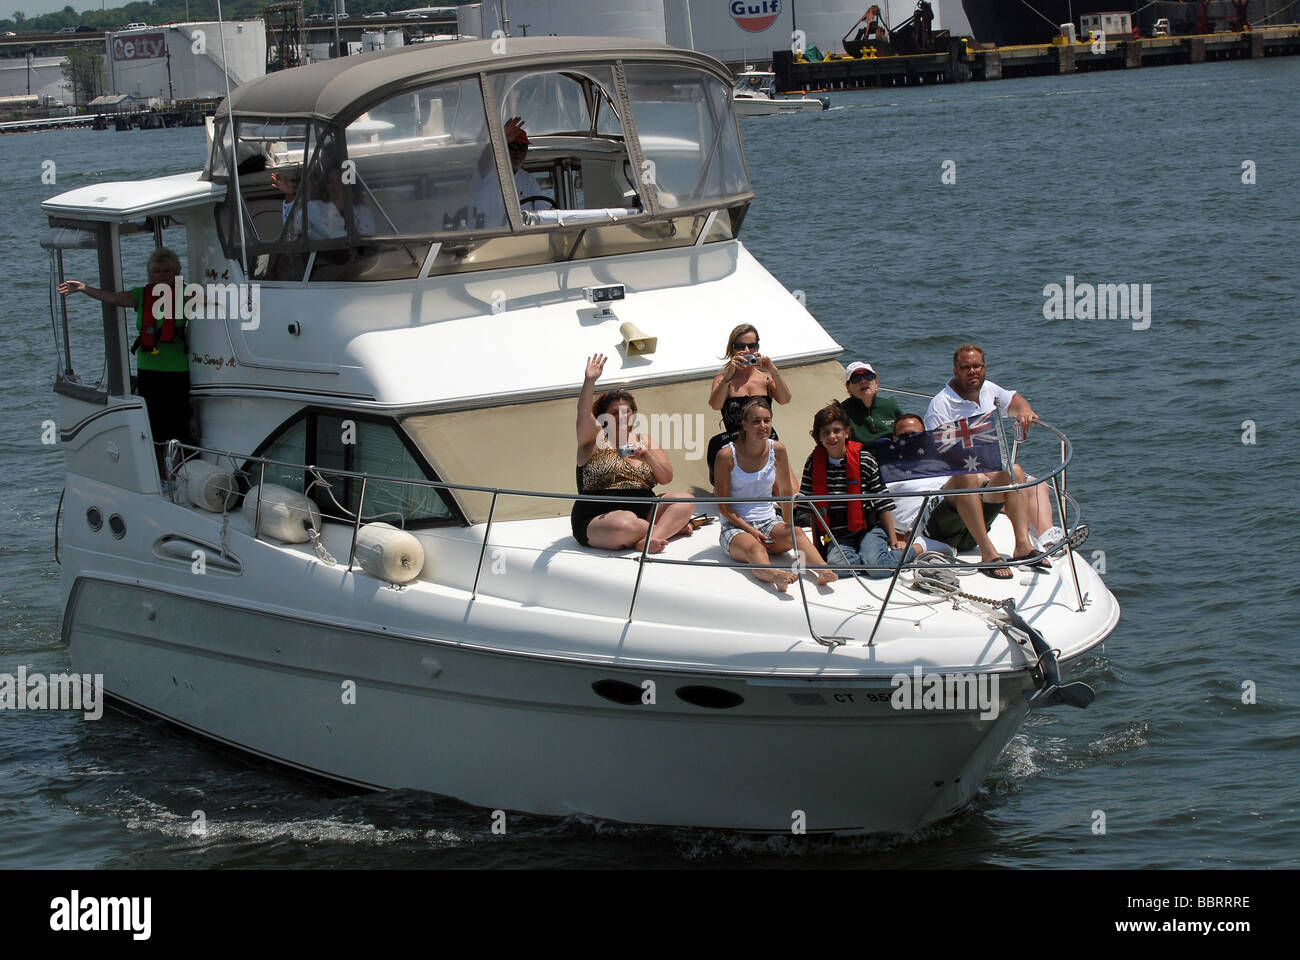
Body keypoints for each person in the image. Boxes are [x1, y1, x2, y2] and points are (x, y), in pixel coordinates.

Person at [58, 248, 192, 471]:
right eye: (157, 271)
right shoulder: (141, 295)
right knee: (154, 425)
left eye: (167, 271)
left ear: (176, 272)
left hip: (176, 370)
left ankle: (179, 471)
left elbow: (215, 303)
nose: (162, 275)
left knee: (177, 426)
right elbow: (112, 298)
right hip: (148, 370)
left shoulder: (186, 294)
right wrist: (83, 288)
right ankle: (160, 472)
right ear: (151, 274)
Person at [925, 343, 1059, 542]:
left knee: (1038, 486)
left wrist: (1024, 410)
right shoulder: (941, 406)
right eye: (965, 367)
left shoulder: (989, 389)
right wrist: (985, 471)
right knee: (991, 482)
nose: (972, 371)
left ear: (984, 368)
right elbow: (940, 454)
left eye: (977, 366)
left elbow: (1013, 400)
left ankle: (1047, 537)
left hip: (993, 466)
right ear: (955, 371)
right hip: (961, 474)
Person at [887, 414, 1045, 580]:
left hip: (966, 527)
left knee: (1014, 472)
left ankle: (1023, 546)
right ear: (895, 439)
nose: (911, 440)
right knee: (966, 477)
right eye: (904, 436)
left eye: (916, 435)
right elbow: (878, 506)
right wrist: (896, 537)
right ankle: (988, 554)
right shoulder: (889, 470)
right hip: (932, 525)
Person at [571, 353, 695, 553]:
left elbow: (666, 478)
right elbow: (583, 414)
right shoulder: (593, 438)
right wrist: (589, 381)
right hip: (599, 514)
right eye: (613, 413)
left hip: (645, 508)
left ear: (633, 413)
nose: (620, 417)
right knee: (624, 524)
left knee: (685, 500)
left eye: (625, 412)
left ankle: (646, 540)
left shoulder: (644, 440)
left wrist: (647, 457)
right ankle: (666, 529)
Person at [715, 398, 834, 592]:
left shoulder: (777, 449)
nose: (763, 426)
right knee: (755, 548)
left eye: (767, 420)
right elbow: (724, 507)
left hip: (769, 521)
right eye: (756, 421)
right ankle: (776, 575)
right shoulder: (727, 455)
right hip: (735, 526)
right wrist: (752, 531)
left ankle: (822, 570)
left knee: (796, 532)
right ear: (744, 424)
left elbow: (786, 492)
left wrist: (787, 526)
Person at [796, 403, 922, 577]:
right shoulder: (813, 464)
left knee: (878, 570)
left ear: (846, 432)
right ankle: (874, 562)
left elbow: (882, 503)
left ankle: (915, 549)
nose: (832, 436)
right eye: (826, 432)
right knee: (837, 566)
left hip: (869, 529)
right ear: (818, 436)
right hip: (838, 535)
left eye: (837, 431)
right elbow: (812, 510)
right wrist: (817, 548)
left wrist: (893, 540)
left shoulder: (865, 460)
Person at [705, 323, 792, 486]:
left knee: (788, 490)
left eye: (751, 346)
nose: (746, 351)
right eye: (740, 346)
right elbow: (715, 405)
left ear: (757, 347)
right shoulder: (723, 381)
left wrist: (772, 370)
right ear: (732, 349)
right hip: (736, 442)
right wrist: (728, 376)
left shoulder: (765, 379)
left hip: (765, 438)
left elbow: (785, 399)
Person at [468, 116, 549, 229]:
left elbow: (542, 213)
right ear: (502, 148)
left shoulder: (528, 180)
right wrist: (499, 139)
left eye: (522, 147)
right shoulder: (485, 172)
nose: (517, 152)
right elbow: (484, 158)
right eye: (513, 146)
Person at [271, 159, 376, 239]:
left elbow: (369, 239)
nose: (335, 186)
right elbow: (291, 231)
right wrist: (290, 195)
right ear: (325, 185)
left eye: (339, 181)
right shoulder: (313, 208)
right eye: (331, 181)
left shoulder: (363, 211)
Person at [840, 361, 903, 446]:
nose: (863, 381)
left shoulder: (891, 407)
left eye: (868, 376)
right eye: (856, 378)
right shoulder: (841, 412)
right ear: (848, 388)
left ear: (876, 383)